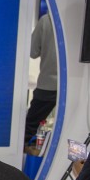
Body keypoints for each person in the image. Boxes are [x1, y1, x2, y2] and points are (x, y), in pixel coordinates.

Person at [24, 11, 58, 147]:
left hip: (48, 84)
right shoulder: (82, 20)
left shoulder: (46, 20)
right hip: (76, 88)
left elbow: (32, 51)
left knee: (30, 129)